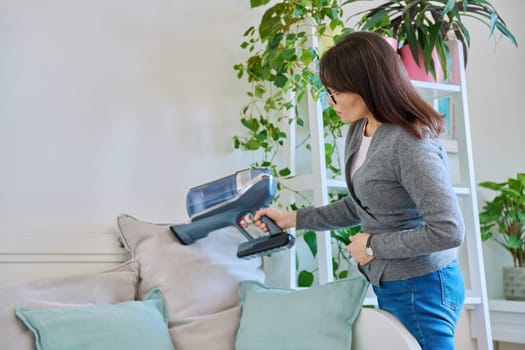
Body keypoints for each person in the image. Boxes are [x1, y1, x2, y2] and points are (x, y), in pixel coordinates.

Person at [254, 31, 465, 350]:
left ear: (368, 85)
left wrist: (374, 246)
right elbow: (361, 206)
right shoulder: (362, 131)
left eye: (336, 92)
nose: (330, 101)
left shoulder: (409, 143)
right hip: (395, 283)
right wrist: (291, 219)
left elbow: (449, 230)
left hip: (421, 285)